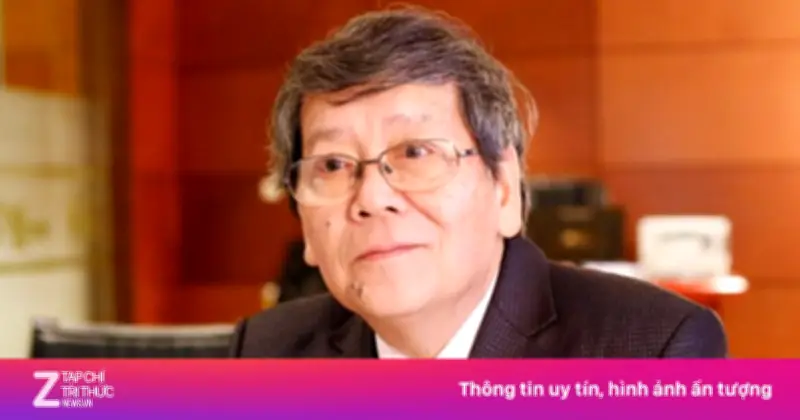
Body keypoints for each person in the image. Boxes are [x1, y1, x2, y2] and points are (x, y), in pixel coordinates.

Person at [228, 6, 728, 358]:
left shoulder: (653, 349)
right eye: (334, 165)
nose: (373, 198)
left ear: (505, 188)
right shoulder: (267, 353)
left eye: (415, 153)